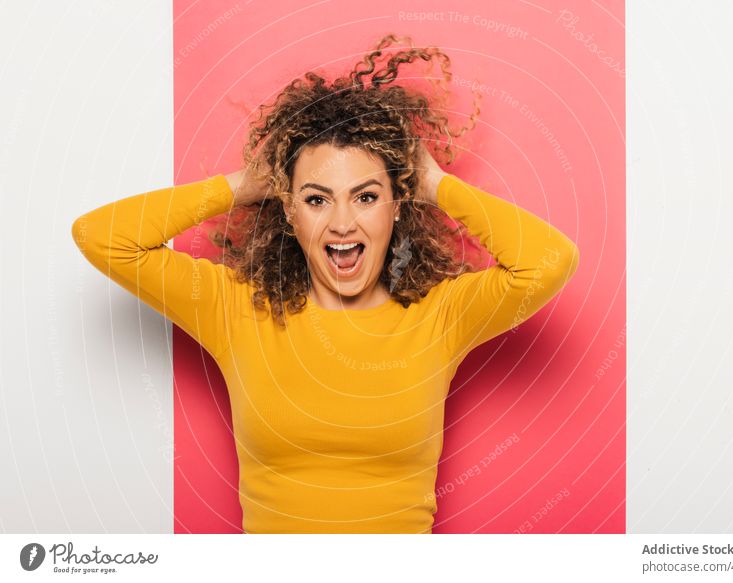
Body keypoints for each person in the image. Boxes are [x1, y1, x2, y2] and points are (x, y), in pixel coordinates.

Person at [71, 34, 579, 534]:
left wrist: (434, 184)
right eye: (316, 200)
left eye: (366, 197)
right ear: (288, 212)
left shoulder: (439, 317)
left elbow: (549, 261)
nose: (341, 224)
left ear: (397, 208)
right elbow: (101, 237)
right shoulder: (234, 309)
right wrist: (241, 186)